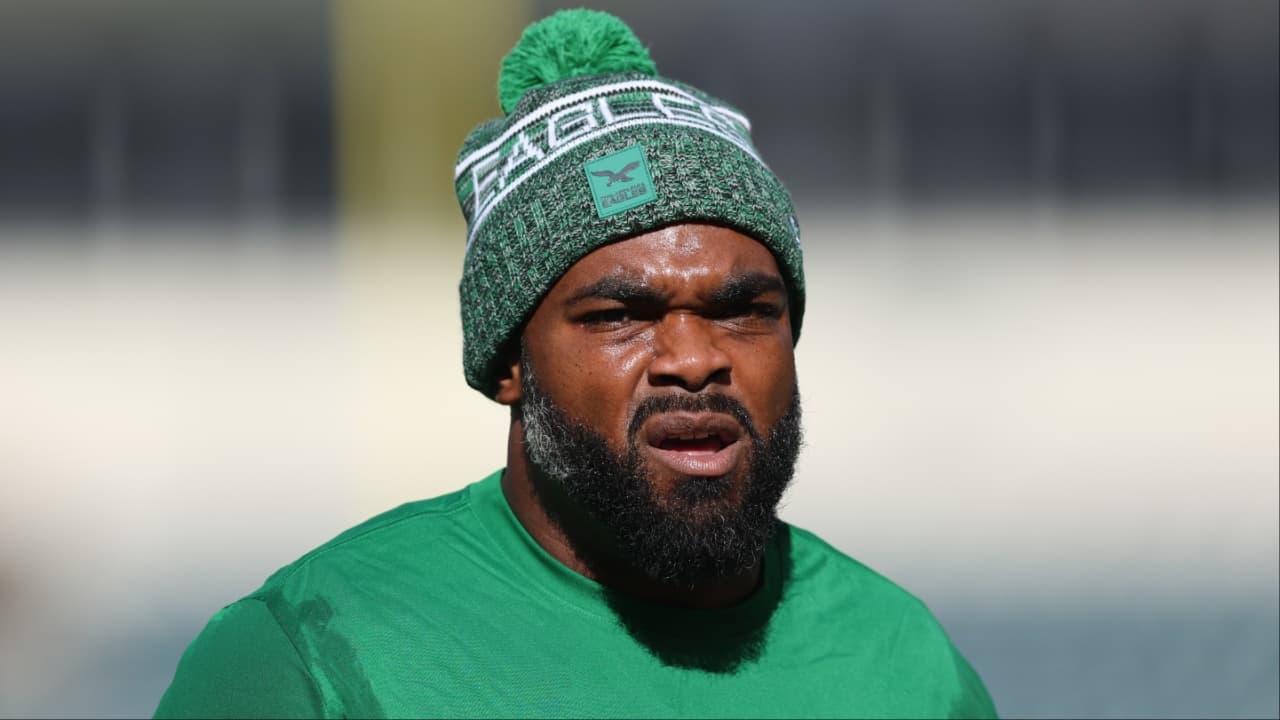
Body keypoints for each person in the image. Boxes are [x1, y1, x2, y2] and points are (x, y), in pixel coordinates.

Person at [155, 9, 996, 719]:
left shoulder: (908, 669)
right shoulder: (309, 661)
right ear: (508, 365)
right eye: (621, 317)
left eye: (745, 312)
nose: (696, 360)